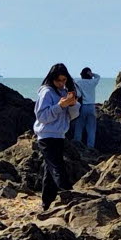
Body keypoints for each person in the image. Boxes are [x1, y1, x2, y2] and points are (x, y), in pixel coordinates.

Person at [32, 63, 80, 210]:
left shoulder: (64, 92)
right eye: (58, 80)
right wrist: (60, 106)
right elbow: (42, 116)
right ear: (52, 78)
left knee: (50, 169)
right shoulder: (46, 92)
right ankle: (69, 193)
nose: (61, 83)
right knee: (57, 167)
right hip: (46, 136)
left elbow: (72, 116)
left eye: (64, 80)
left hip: (59, 135)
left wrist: (72, 104)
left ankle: (46, 203)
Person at [72, 65, 101, 149]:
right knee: (91, 128)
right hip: (91, 106)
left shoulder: (78, 82)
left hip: (82, 106)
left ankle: (77, 145)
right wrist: (92, 74)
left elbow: (77, 94)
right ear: (89, 74)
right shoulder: (92, 82)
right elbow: (98, 76)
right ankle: (90, 147)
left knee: (79, 126)